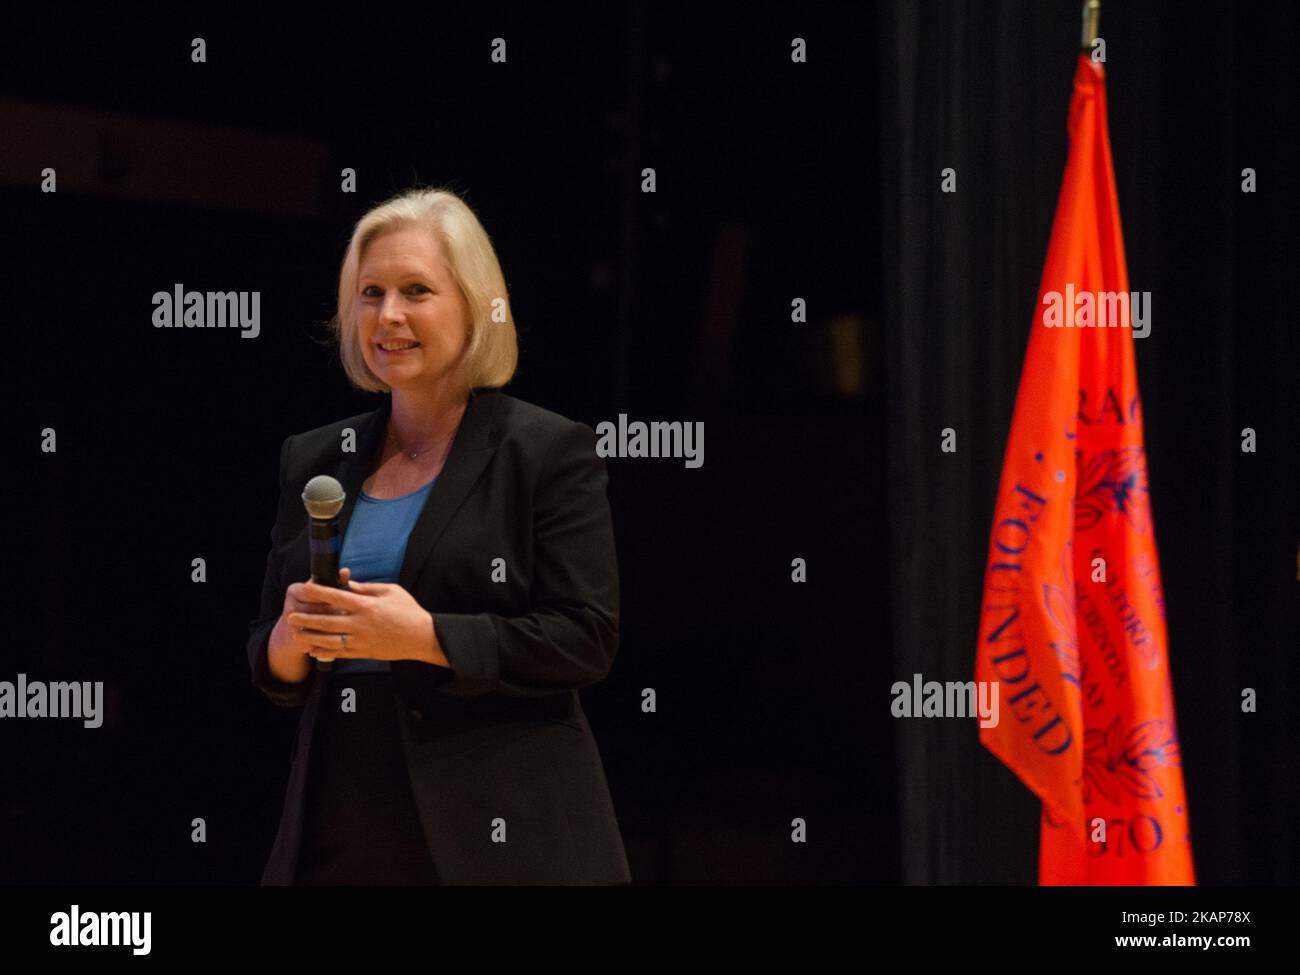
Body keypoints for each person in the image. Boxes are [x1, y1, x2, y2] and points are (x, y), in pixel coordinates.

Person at [245, 186, 631, 885]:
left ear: (476, 304)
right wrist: (287, 643)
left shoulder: (543, 451)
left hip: (500, 833)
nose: (388, 315)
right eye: (371, 293)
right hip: (340, 826)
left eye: (416, 289)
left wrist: (425, 637)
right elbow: (274, 660)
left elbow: (585, 636)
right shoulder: (313, 458)